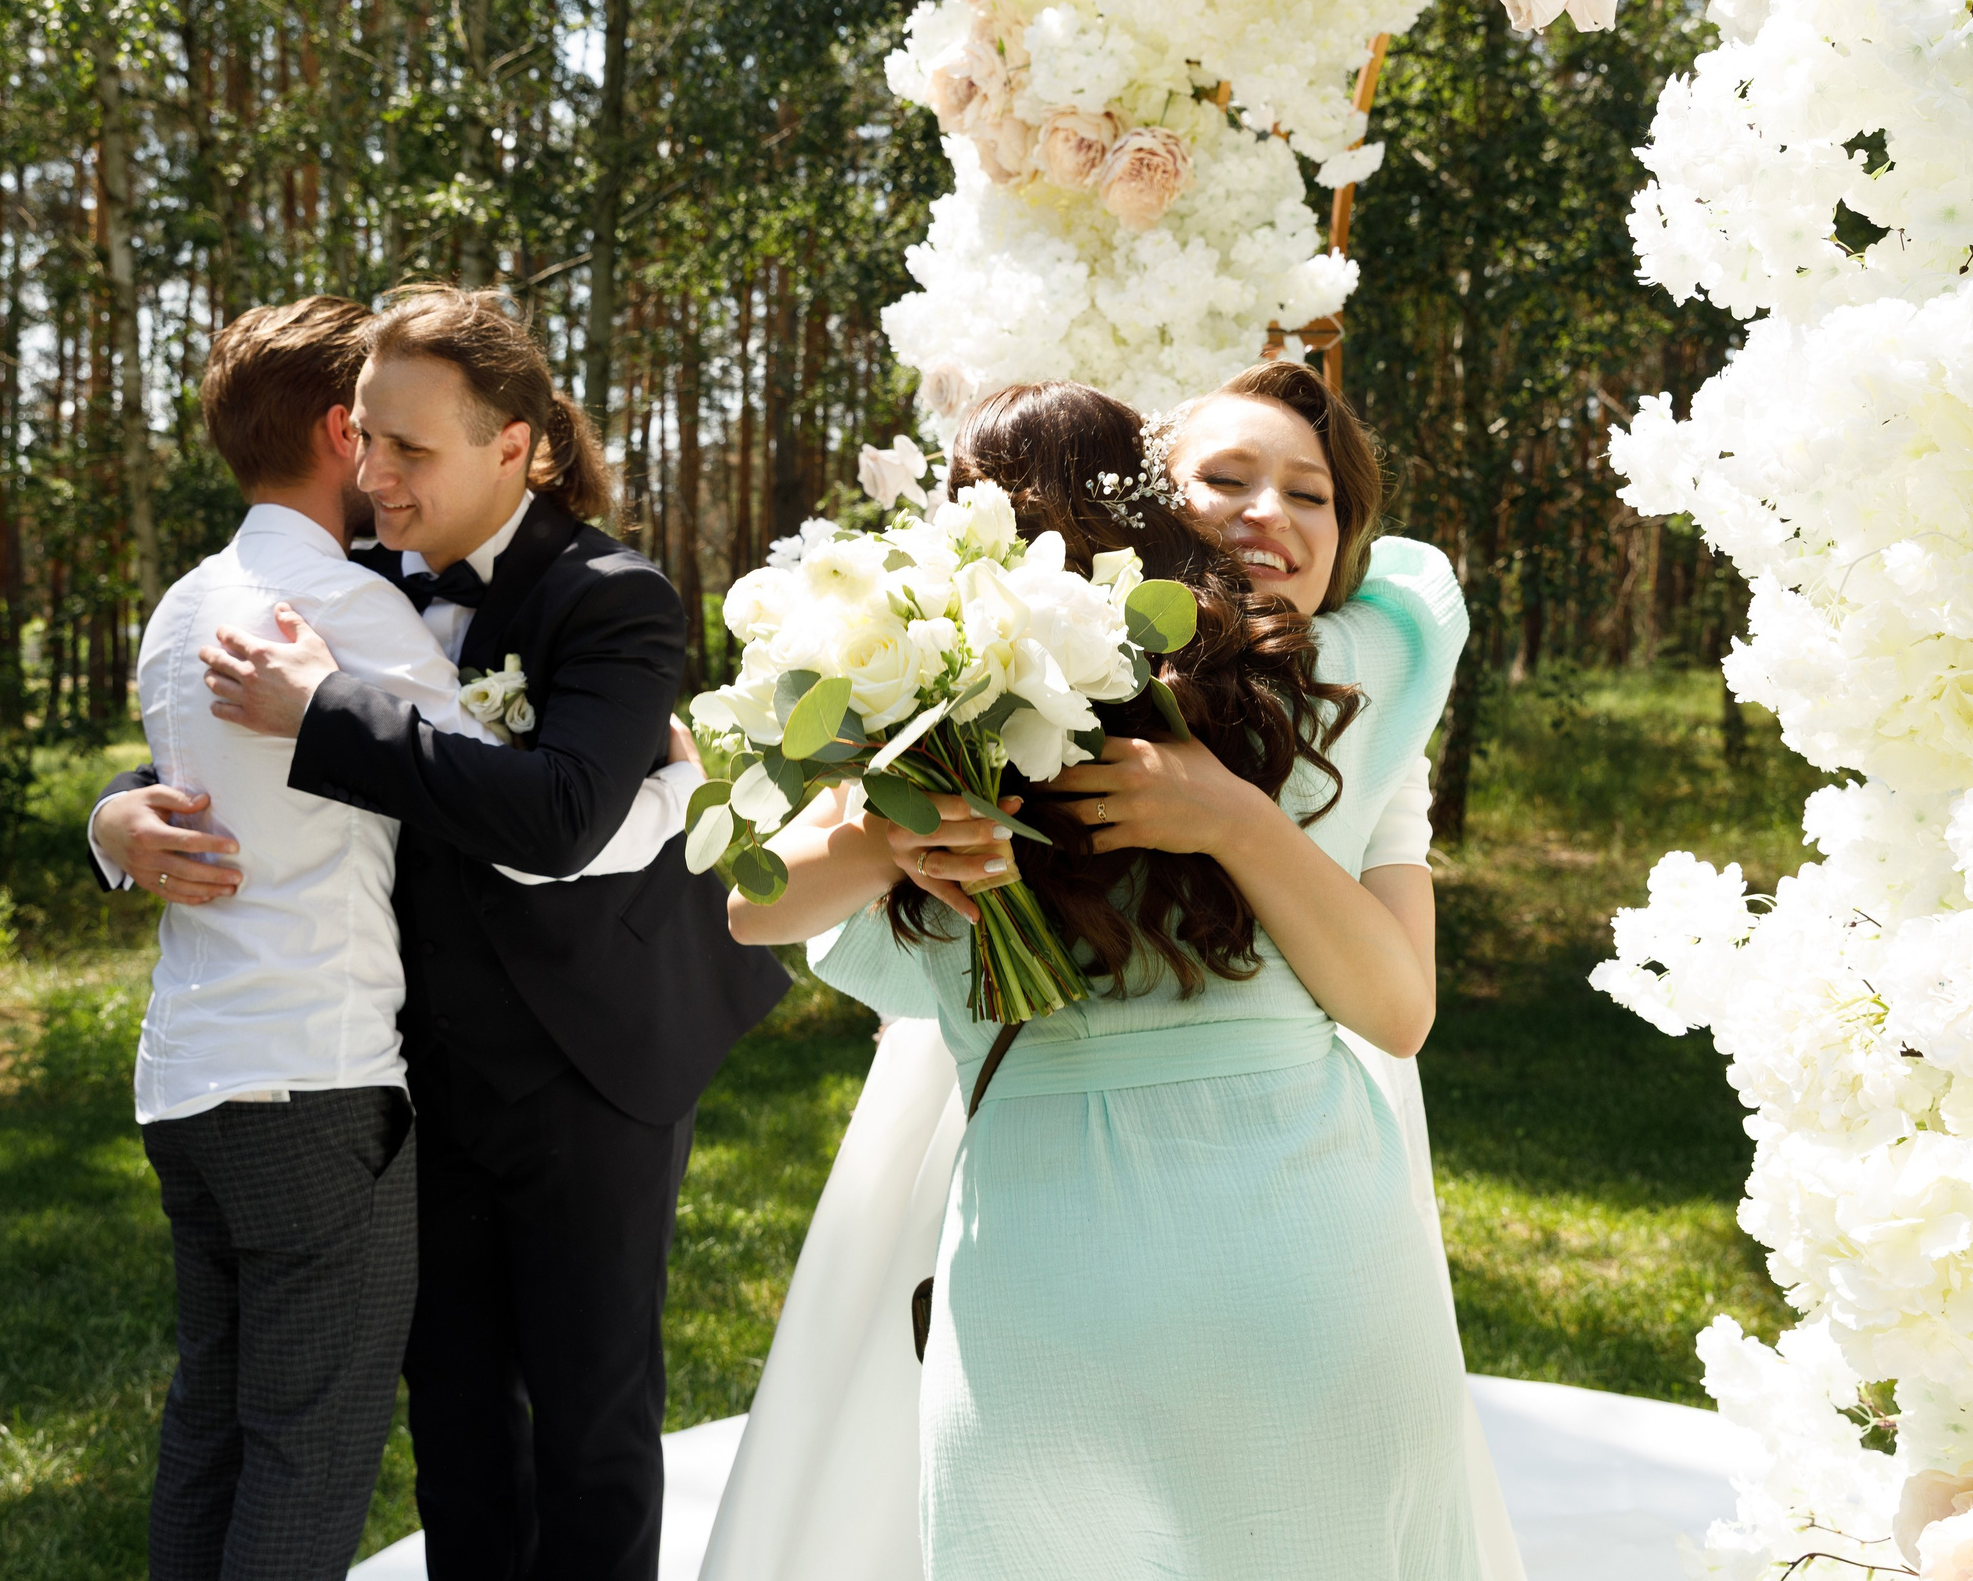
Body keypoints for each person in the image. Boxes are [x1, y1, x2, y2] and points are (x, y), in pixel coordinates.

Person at [701, 370, 1520, 1580]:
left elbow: (1397, 1012)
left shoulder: (1354, 711)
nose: (1270, 514)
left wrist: (1233, 818)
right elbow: (752, 899)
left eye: (1312, 495)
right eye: (1225, 479)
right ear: (1142, 506)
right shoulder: (982, 691)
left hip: (1307, 1243)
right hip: (1046, 1266)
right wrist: (901, 822)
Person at [91, 285, 789, 1581]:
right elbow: (196, 754)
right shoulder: (354, 584)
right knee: (455, 1421)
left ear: (514, 444)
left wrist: (326, 712)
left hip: (595, 1063)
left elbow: (565, 817)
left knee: (587, 1419)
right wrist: (113, 819)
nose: (375, 471)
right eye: (363, 437)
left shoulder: (612, 597)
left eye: (410, 447)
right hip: (419, 1078)